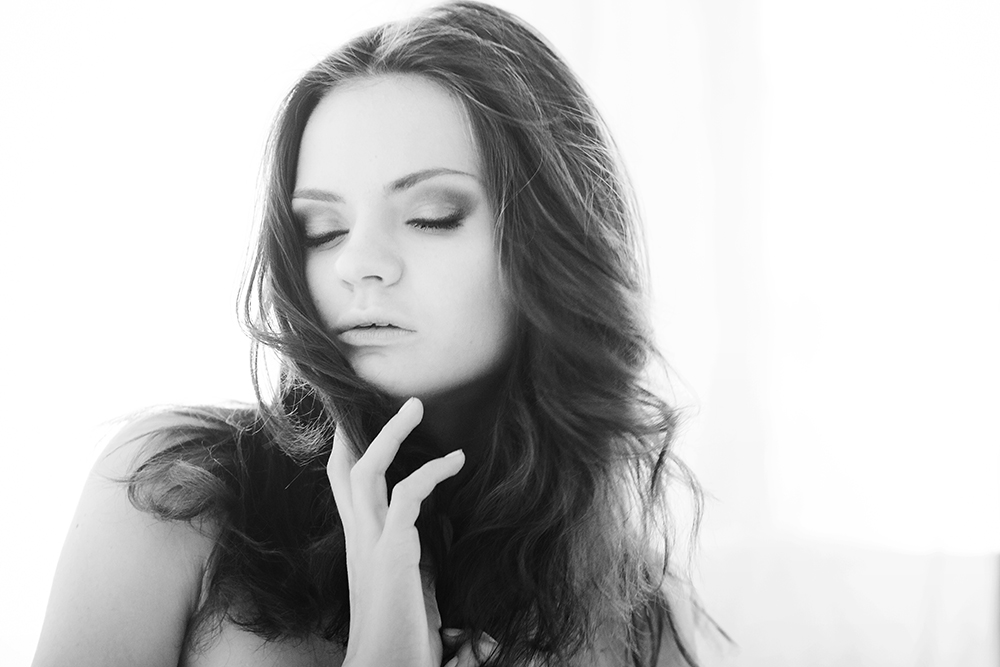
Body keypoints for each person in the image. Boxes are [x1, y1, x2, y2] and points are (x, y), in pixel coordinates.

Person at [32, 2, 711, 665]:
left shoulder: (633, 621)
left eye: (431, 216)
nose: (357, 263)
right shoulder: (175, 497)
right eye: (323, 230)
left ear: (554, 242)